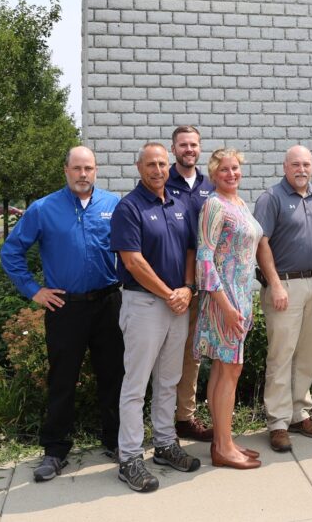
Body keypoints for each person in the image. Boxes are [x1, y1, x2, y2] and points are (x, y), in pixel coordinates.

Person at [0, 146, 122, 482]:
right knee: (62, 379)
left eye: (89, 168)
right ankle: (55, 450)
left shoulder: (113, 205)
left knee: (113, 375)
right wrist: (33, 290)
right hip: (65, 307)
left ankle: (116, 441)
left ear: (96, 170)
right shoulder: (43, 209)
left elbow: (130, 249)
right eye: (77, 168)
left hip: (108, 303)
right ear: (66, 170)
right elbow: (11, 252)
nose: (83, 174)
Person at [111, 143, 201, 493]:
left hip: (177, 304)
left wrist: (188, 288)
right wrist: (169, 294)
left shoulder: (178, 204)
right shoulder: (129, 207)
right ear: (139, 168)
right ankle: (130, 458)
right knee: (135, 385)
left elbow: (190, 250)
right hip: (145, 305)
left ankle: (164, 444)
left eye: (163, 164)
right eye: (151, 164)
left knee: (169, 380)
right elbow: (132, 261)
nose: (158, 170)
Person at [254, 145, 312, 453]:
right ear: (285, 167)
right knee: (281, 355)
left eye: (306, 164)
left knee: (307, 353)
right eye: (295, 164)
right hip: (283, 286)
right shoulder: (271, 198)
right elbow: (261, 243)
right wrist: (274, 284)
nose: (301, 169)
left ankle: (300, 413)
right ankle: (278, 422)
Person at [194, 148, 264, 469]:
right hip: (223, 299)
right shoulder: (214, 204)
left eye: (235, 168)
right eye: (224, 169)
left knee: (225, 369)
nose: (231, 173)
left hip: (241, 297)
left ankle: (224, 440)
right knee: (230, 369)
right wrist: (225, 306)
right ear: (213, 174)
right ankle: (222, 448)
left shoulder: (239, 203)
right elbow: (204, 258)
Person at [166, 125, 215, 442]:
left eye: (193, 145)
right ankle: (161, 420)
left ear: (199, 148)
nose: (189, 149)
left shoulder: (209, 186)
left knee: (191, 353)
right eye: (183, 145)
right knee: (163, 352)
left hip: (202, 285)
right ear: (174, 149)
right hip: (169, 286)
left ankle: (184, 417)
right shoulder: (162, 182)